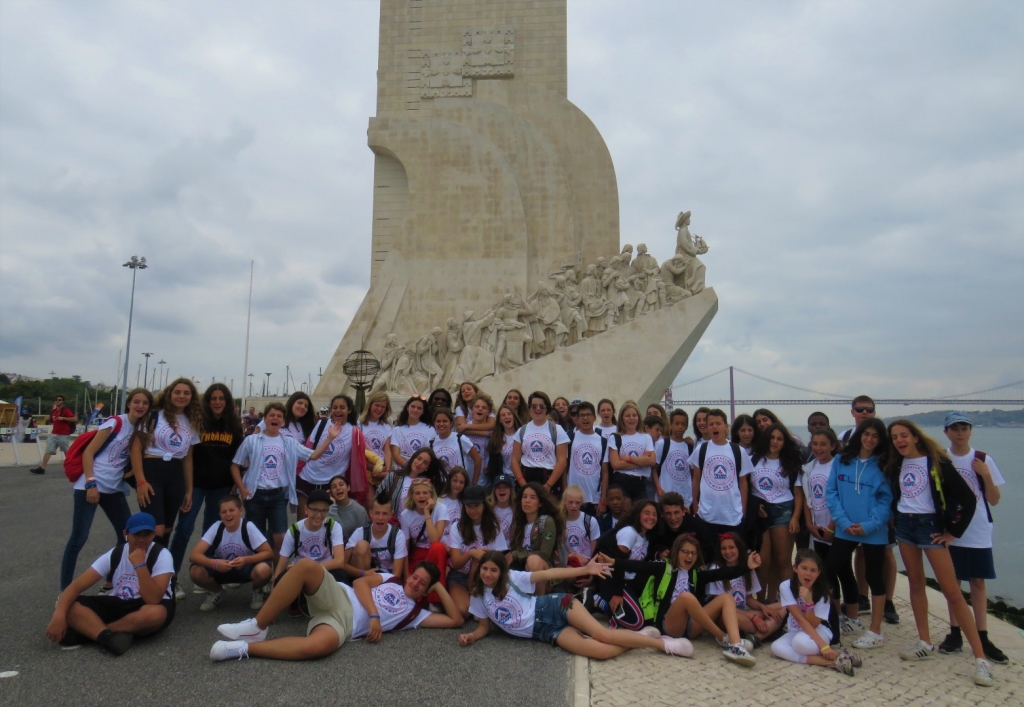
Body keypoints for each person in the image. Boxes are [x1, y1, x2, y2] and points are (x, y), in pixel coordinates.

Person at [887, 419, 994, 686]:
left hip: (929, 526)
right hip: (904, 525)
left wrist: (953, 532)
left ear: (914, 437)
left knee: (953, 592)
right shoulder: (896, 464)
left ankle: (981, 660)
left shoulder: (936, 461)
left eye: (903, 435)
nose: (899, 441)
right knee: (915, 583)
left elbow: (967, 499)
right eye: (894, 437)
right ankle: (925, 641)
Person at [209, 559, 463, 661]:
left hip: (344, 625)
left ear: (425, 590)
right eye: (415, 577)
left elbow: (455, 620)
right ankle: (257, 626)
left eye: (422, 583)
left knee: (318, 648)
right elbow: (360, 583)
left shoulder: (415, 615)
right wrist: (374, 615)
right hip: (341, 595)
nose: (415, 582)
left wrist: (439, 586)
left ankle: (242, 649)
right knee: (307, 566)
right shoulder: (390, 579)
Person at [459, 553, 694, 659]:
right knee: (601, 652)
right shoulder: (478, 595)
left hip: (554, 606)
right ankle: (639, 637)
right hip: (545, 632)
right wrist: (472, 636)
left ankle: (663, 645)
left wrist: (586, 569)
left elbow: (550, 572)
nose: (487, 574)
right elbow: (483, 626)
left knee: (603, 635)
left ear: (501, 571)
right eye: (484, 569)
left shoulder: (513, 577)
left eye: (493, 569)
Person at [596, 534, 759, 666]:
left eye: (693, 553)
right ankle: (723, 638)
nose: (689, 556)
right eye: (685, 552)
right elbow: (638, 566)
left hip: (691, 626)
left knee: (726, 597)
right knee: (686, 597)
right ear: (676, 552)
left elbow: (722, 574)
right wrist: (614, 562)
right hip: (669, 625)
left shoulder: (696, 574)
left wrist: (747, 566)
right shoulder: (664, 567)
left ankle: (735, 645)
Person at [60, 388, 152, 591]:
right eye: (136, 401)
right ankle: (65, 590)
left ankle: (111, 580)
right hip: (91, 485)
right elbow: (89, 453)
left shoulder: (142, 431)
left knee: (126, 535)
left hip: (114, 488)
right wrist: (91, 483)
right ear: (129, 403)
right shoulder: (116, 422)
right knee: (78, 538)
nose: (140, 406)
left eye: (145, 403)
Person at [46, 512, 175, 656]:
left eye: (147, 535)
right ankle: (109, 637)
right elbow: (75, 587)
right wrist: (58, 616)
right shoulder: (115, 553)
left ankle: (93, 633)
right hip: (118, 602)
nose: (142, 540)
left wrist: (140, 565)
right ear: (126, 533)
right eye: (137, 535)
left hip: (146, 605)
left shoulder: (162, 555)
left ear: (153, 535)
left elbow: (154, 599)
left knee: (156, 614)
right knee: (66, 603)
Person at [939, 412, 1007, 663]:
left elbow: (995, 500)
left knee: (978, 582)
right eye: (954, 428)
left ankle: (982, 636)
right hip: (953, 530)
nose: (959, 432)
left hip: (978, 529)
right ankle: (955, 633)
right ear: (946, 432)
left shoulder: (982, 459)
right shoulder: (942, 459)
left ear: (970, 431)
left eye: (964, 427)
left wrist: (986, 475)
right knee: (952, 583)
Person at [232, 403, 341, 557]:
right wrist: (241, 489)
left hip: (278, 497)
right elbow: (235, 465)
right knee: (256, 538)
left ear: (283, 421)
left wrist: (330, 437)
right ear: (265, 419)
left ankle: (276, 576)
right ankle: (260, 572)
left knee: (280, 538)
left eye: (279, 416)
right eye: (272, 415)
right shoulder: (252, 440)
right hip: (255, 495)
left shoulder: (289, 442)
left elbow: (314, 455)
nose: (275, 418)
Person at [824, 419, 892, 650]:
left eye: (875, 436)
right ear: (859, 435)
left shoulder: (884, 465)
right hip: (845, 528)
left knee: (874, 577)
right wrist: (843, 522)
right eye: (866, 434)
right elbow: (831, 493)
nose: (870, 439)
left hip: (872, 531)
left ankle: (875, 631)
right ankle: (837, 619)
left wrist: (869, 525)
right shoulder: (840, 460)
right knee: (829, 570)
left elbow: (886, 500)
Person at [169, 383, 243, 595]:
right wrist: (188, 489)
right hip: (197, 485)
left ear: (227, 402)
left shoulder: (234, 427)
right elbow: (188, 457)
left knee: (212, 533)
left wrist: (234, 488)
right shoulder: (197, 422)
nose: (217, 402)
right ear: (207, 401)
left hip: (221, 488)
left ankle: (205, 574)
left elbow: (237, 460)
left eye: (221, 398)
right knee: (183, 530)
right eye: (213, 398)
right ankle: (170, 578)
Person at [129, 378, 203, 547]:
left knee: (168, 528)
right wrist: (140, 481)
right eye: (177, 392)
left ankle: (160, 569)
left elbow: (188, 459)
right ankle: (141, 567)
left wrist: (189, 491)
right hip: (152, 471)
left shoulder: (191, 422)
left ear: (192, 397)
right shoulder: (154, 415)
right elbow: (135, 449)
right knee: (155, 527)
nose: (181, 396)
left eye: (186, 393)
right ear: (169, 394)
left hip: (175, 475)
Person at [770, 549, 860, 675]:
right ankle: (834, 660)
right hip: (797, 630)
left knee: (799, 644)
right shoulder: (786, 586)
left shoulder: (823, 593)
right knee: (776, 647)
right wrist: (825, 649)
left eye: (813, 570)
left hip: (820, 631)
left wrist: (809, 602)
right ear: (795, 568)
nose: (808, 574)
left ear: (818, 573)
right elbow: (799, 619)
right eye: (804, 568)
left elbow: (813, 624)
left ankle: (834, 654)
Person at [748, 422, 805, 601]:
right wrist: (753, 507)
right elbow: (745, 487)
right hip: (760, 513)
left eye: (780, 439)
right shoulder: (753, 459)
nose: (775, 442)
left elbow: (798, 493)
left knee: (782, 562)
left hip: (783, 511)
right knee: (762, 561)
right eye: (772, 438)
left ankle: (782, 601)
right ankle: (761, 601)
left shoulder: (790, 463)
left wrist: (795, 517)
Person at [188, 496, 273, 611]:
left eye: (232, 510)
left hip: (245, 567)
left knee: (264, 569)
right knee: (196, 571)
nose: (228, 514)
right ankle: (216, 591)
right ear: (220, 514)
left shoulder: (248, 527)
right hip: (222, 567)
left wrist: (246, 560)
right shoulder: (216, 527)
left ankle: (258, 591)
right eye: (224, 512)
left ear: (240, 511)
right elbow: (193, 555)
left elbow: (268, 553)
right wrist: (215, 563)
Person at [687, 409, 752, 545]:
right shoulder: (701, 450)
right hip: (707, 515)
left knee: (732, 556)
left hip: (732, 516)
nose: (714, 427)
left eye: (718, 423)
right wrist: (695, 505)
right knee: (709, 556)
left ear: (726, 426)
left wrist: (743, 510)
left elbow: (743, 482)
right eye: (711, 424)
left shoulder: (738, 451)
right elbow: (696, 479)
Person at [705, 533, 783, 643]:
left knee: (783, 607)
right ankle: (767, 632)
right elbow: (720, 607)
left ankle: (755, 636)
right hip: (725, 616)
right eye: (723, 548)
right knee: (742, 620)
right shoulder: (716, 568)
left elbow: (749, 599)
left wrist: (762, 607)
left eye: (731, 547)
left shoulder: (747, 567)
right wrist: (753, 617)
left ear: (739, 548)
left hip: (744, 611)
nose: (727, 552)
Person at [447, 485, 508, 618]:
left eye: (476, 505)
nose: (472, 510)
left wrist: (484, 558)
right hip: (460, 576)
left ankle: (477, 597)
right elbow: (456, 563)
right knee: (464, 610)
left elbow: (501, 558)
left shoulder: (494, 527)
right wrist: (470, 554)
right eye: (469, 506)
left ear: (483, 505)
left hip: (486, 576)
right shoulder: (456, 527)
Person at [299, 394, 364, 519]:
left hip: (332, 485)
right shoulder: (322, 424)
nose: (338, 411)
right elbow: (308, 449)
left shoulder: (354, 431)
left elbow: (362, 455)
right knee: (303, 522)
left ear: (349, 410)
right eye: (335, 407)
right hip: (307, 478)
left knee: (327, 523)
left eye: (342, 407)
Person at [275, 489, 347, 586]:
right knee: (281, 580)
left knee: (341, 576)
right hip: (299, 571)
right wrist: (274, 588)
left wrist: (310, 569)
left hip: (325, 569)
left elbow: (339, 561)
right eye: (315, 510)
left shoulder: (334, 526)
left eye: (324, 510)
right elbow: (281, 565)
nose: (319, 515)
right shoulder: (295, 530)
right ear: (306, 510)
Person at [508, 483, 564, 594]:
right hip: (522, 569)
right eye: (524, 497)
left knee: (533, 560)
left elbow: (544, 554)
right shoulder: (519, 522)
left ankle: (539, 602)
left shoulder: (547, 521)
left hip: (545, 572)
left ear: (540, 503)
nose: (527, 501)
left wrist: (515, 555)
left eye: (532, 497)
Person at [399, 479, 449, 599]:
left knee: (438, 547)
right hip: (417, 552)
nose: (421, 496)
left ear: (431, 495)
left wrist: (427, 512)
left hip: (435, 551)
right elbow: (404, 548)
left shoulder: (440, 508)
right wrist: (406, 575)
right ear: (412, 496)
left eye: (425, 493)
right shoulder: (405, 515)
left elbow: (435, 539)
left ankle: (436, 599)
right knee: (412, 589)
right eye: (417, 493)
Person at [511, 391, 570, 494]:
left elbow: (562, 460)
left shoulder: (557, 430)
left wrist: (548, 485)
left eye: (542, 406)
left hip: (549, 478)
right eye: (534, 406)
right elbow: (515, 460)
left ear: (547, 408)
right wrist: (523, 484)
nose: (538, 409)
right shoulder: (522, 431)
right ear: (529, 408)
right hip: (526, 476)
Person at [344, 493, 408, 579]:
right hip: (363, 577)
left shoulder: (398, 535)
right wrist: (363, 573)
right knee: (362, 545)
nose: (380, 518)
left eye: (385, 514)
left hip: (387, 579)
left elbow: (396, 575)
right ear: (370, 513)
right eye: (377, 513)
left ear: (391, 515)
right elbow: (343, 563)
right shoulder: (360, 532)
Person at [607, 401, 656, 507]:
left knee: (641, 515)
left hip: (641, 483)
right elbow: (615, 464)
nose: (631, 418)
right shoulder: (615, 438)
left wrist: (627, 458)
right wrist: (642, 461)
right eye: (627, 416)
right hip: (621, 482)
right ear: (622, 418)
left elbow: (651, 461)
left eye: (634, 415)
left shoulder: (646, 437)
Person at [565, 401, 609, 515]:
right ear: (577, 419)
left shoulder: (603, 441)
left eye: (588, 415)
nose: (585, 418)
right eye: (582, 415)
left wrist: (603, 500)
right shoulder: (570, 438)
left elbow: (605, 472)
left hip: (594, 498)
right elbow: (564, 468)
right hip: (573, 498)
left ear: (594, 418)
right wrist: (565, 494)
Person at [378, 447, 447, 514]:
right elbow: (377, 498)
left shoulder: (427, 484)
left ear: (427, 468)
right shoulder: (394, 476)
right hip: (394, 523)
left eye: (425, 463)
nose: (420, 463)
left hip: (415, 524)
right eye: (419, 459)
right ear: (413, 458)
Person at [430, 408, 481, 481]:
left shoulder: (460, 439)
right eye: (438, 421)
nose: (441, 424)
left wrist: (474, 481)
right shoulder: (431, 443)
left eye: (445, 421)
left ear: (451, 423)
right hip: (440, 485)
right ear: (434, 423)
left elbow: (477, 459)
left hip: (458, 484)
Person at [30, 394, 76, 474]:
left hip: (64, 434)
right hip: (54, 434)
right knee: (48, 450)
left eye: (59, 400)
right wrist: (49, 419)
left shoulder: (65, 410)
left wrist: (64, 418)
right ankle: (42, 468)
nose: (57, 401)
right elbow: (53, 420)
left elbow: (74, 419)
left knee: (66, 452)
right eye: (56, 400)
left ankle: (71, 468)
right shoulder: (54, 411)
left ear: (63, 401)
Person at [657, 409, 694, 508]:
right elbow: (653, 468)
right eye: (677, 423)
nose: (680, 427)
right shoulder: (662, 444)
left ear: (686, 426)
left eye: (683, 424)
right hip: (666, 497)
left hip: (686, 500)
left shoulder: (690, 446)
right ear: (670, 425)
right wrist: (658, 488)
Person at [390, 396, 436, 470]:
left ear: (423, 412)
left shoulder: (430, 429)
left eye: (419, 408)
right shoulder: (397, 430)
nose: (415, 410)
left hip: (422, 473)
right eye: (413, 406)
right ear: (408, 408)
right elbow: (395, 454)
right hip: (402, 471)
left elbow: (432, 453)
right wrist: (409, 468)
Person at [360, 391, 393, 489]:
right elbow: (358, 450)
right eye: (377, 405)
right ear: (370, 405)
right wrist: (370, 467)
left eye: (383, 407)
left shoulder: (386, 427)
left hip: (381, 469)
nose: (379, 409)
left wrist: (387, 469)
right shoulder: (359, 425)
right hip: (365, 469)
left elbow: (387, 450)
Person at [327, 474, 369, 541]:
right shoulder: (329, 509)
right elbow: (329, 531)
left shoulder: (359, 510)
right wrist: (332, 505)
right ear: (331, 493)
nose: (338, 488)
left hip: (355, 547)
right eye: (334, 487)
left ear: (348, 487)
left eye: (341, 484)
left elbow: (365, 535)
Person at [487, 404, 521, 484]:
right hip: (507, 479)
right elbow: (493, 466)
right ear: (499, 420)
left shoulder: (523, 434)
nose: (506, 417)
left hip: (523, 477)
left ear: (514, 416)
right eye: (503, 415)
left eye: (509, 414)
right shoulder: (496, 440)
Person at [491, 474, 517, 545]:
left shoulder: (517, 510)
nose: (502, 490)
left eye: (505, 487)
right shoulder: (488, 509)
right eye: (498, 487)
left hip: (511, 550)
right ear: (494, 491)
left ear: (510, 490)